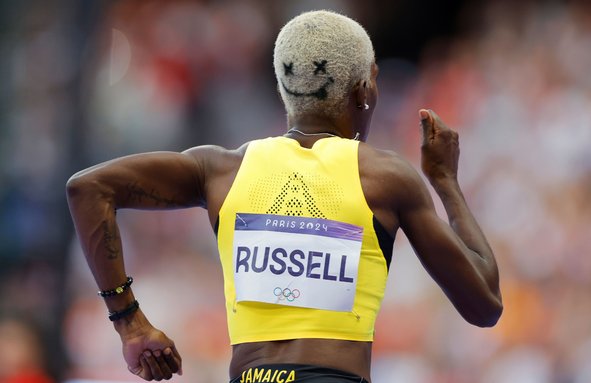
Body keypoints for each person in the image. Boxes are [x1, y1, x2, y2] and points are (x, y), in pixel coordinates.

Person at [66, 10, 502, 383]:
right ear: (365, 91)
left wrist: (130, 323)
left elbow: (88, 187)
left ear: (284, 88)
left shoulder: (222, 171)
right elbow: (484, 304)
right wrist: (445, 181)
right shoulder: (384, 177)